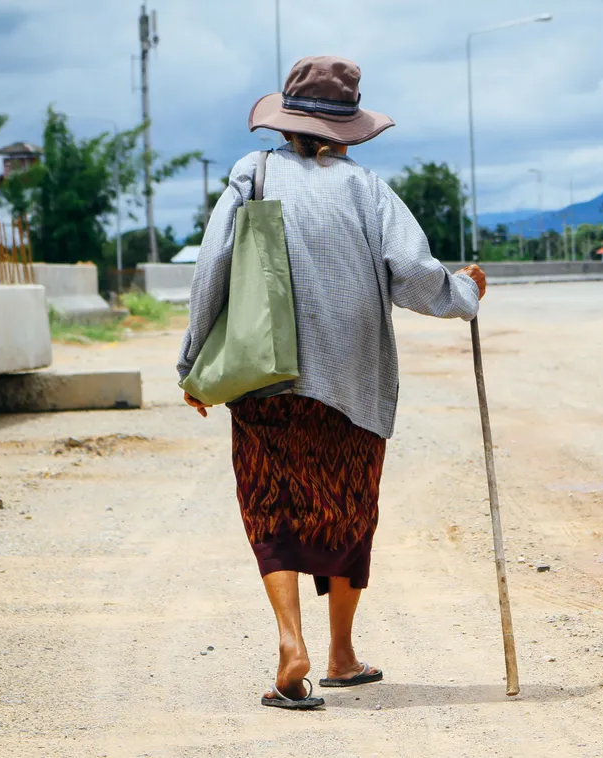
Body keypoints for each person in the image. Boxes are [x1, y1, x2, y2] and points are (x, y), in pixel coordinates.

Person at [177, 55, 486, 711]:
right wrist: (464, 295)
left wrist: (193, 365)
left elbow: (211, 271)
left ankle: (293, 646)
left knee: (272, 509)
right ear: (348, 128)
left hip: (265, 376)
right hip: (352, 382)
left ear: (284, 123)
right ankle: (343, 654)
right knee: (348, 511)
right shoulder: (368, 189)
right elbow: (413, 272)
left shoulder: (250, 175)